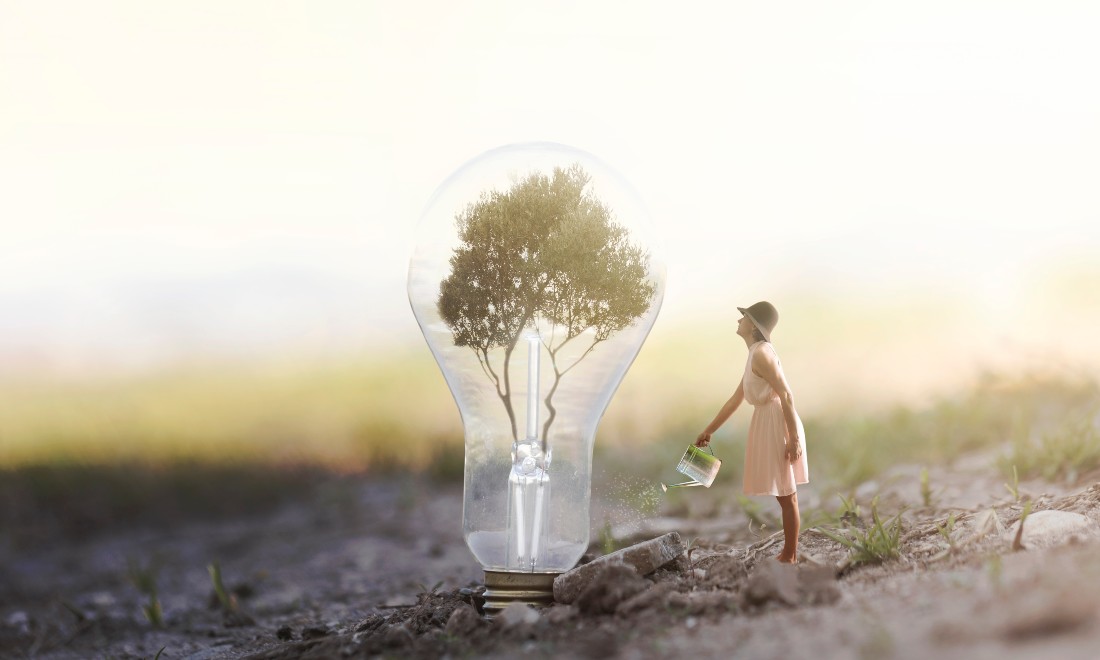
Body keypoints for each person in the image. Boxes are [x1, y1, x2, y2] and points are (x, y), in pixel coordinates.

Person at [696, 300, 808, 563]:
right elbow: (736, 399)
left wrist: (792, 438)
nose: (739, 321)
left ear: (754, 326)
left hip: (777, 421)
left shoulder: (761, 354)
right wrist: (709, 430)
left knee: (786, 493)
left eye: (744, 317)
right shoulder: (755, 354)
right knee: (783, 493)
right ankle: (788, 553)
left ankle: (789, 555)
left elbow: (786, 395)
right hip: (766, 420)